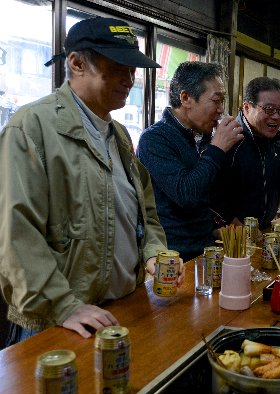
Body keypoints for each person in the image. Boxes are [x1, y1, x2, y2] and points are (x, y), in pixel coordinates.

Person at [0, 17, 181, 344]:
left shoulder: (120, 135)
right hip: (59, 320)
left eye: (133, 70)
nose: (129, 79)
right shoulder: (32, 127)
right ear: (77, 63)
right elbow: (16, 232)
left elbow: (145, 213)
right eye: (118, 67)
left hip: (120, 306)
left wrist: (153, 251)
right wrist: (64, 306)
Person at [137, 62, 243, 262]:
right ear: (185, 98)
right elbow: (186, 194)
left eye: (223, 101)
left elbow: (212, 194)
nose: (221, 110)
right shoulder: (154, 139)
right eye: (216, 100)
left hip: (206, 247)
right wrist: (217, 149)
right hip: (172, 255)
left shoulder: (203, 137)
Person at [210, 77, 280, 230]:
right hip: (233, 237)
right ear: (247, 108)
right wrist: (236, 225)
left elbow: (275, 185)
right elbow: (212, 195)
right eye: (269, 109)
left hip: (264, 230)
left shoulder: (277, 143)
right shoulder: (229, 140)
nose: (277, 116)